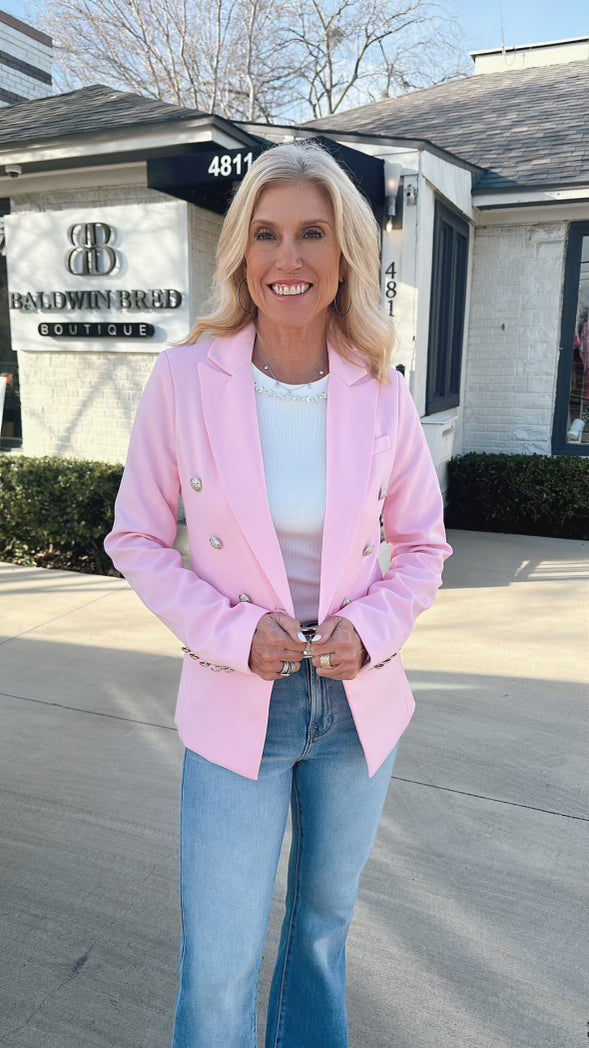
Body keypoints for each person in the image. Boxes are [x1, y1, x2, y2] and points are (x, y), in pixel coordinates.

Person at [104, 140, 451, 1048]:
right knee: (219, 962)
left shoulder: (381, 389)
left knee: (322, 938)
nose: (286, 258)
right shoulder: (185, 381)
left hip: (353, 712)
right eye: (265, 235)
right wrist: (226, 632)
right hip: (236, 707)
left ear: (344, 258)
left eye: (310, 234)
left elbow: (421, 545)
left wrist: (371, 630)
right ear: (240, 255)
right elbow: (135, 536)